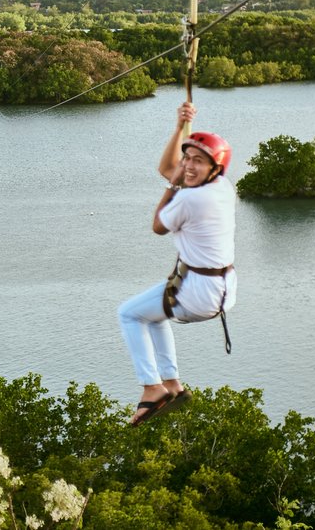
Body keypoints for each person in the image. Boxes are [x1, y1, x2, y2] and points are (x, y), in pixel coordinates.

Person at [118, 101, 237, 426]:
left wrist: (172, 185)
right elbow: (170, 167)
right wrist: (180, 126)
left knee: (128, 314)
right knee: (151, 317)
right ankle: (171, 383)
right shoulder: (222, 187)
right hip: (218, 290)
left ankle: (152, 387)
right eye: (188, 158)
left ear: (213, 168)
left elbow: (158, 225)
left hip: (197, 293)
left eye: (198, 161)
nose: (189, 166)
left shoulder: (191, 197)